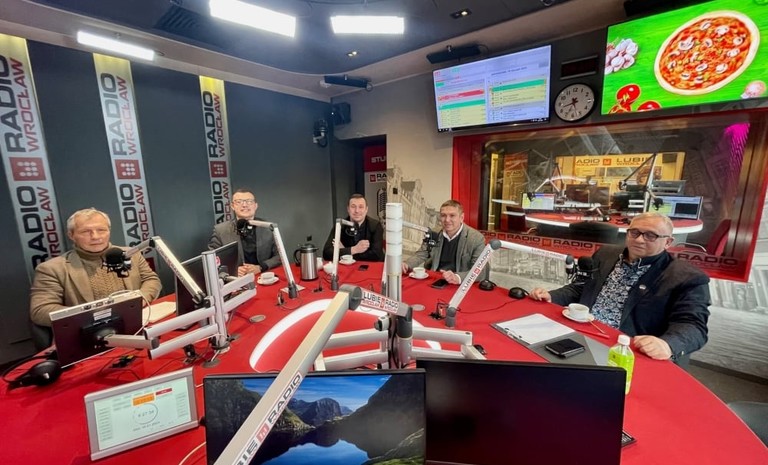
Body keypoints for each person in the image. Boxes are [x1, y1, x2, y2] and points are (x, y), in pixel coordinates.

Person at [529, 212, 710, 364]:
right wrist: (551, 296)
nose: (639, 239)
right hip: (582, 333)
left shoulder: (687, 277)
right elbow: (581, 288)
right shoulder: (606, 254)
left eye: (650, 235)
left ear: (668, 242)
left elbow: (694, 326)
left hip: (625, 350)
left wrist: (668, 345)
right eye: (634, 232)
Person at [29, 208, 161, 328]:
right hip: (88, 333)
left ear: (109, 231)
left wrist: (139, 300)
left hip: (136, 324)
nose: (95, 237)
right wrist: (95, 315)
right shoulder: (51, 269)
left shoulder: (131, 254)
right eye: (86, 232)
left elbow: (151, 279)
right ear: (71, 235)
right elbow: (40, 311)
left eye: (101, 230)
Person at [402, 199, 487, 285]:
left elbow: (480, 271)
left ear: (461, 218)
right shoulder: (434, 233)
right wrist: (406, 264)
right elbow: (420, 255)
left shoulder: (476, 238)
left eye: (452, 215)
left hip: (459, 284)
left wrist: (457, 277)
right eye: (443, 215)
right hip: (435, 279)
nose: (447, 220)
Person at [208, 189, 281, 276]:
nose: (244, 205)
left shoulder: (268, 227)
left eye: (249, 201)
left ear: (256, 206)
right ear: (232, 206)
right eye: (239, 202)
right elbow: (211, 260)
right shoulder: (220, 230)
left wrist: (261, 267)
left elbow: (280, 256)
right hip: (236, 279)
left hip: (264, 277)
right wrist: (232, 270)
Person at [322, 194, 384, 262]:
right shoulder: (340, 225)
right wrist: (354, 249)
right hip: (347, 266)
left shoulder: (375, 225)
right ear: (348, 209)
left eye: (361, 207)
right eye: (353, 207)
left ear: (366, 209)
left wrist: (345, 251)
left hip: (371, 266)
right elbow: (326, 254)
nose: (357, 211)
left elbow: (376, 255)